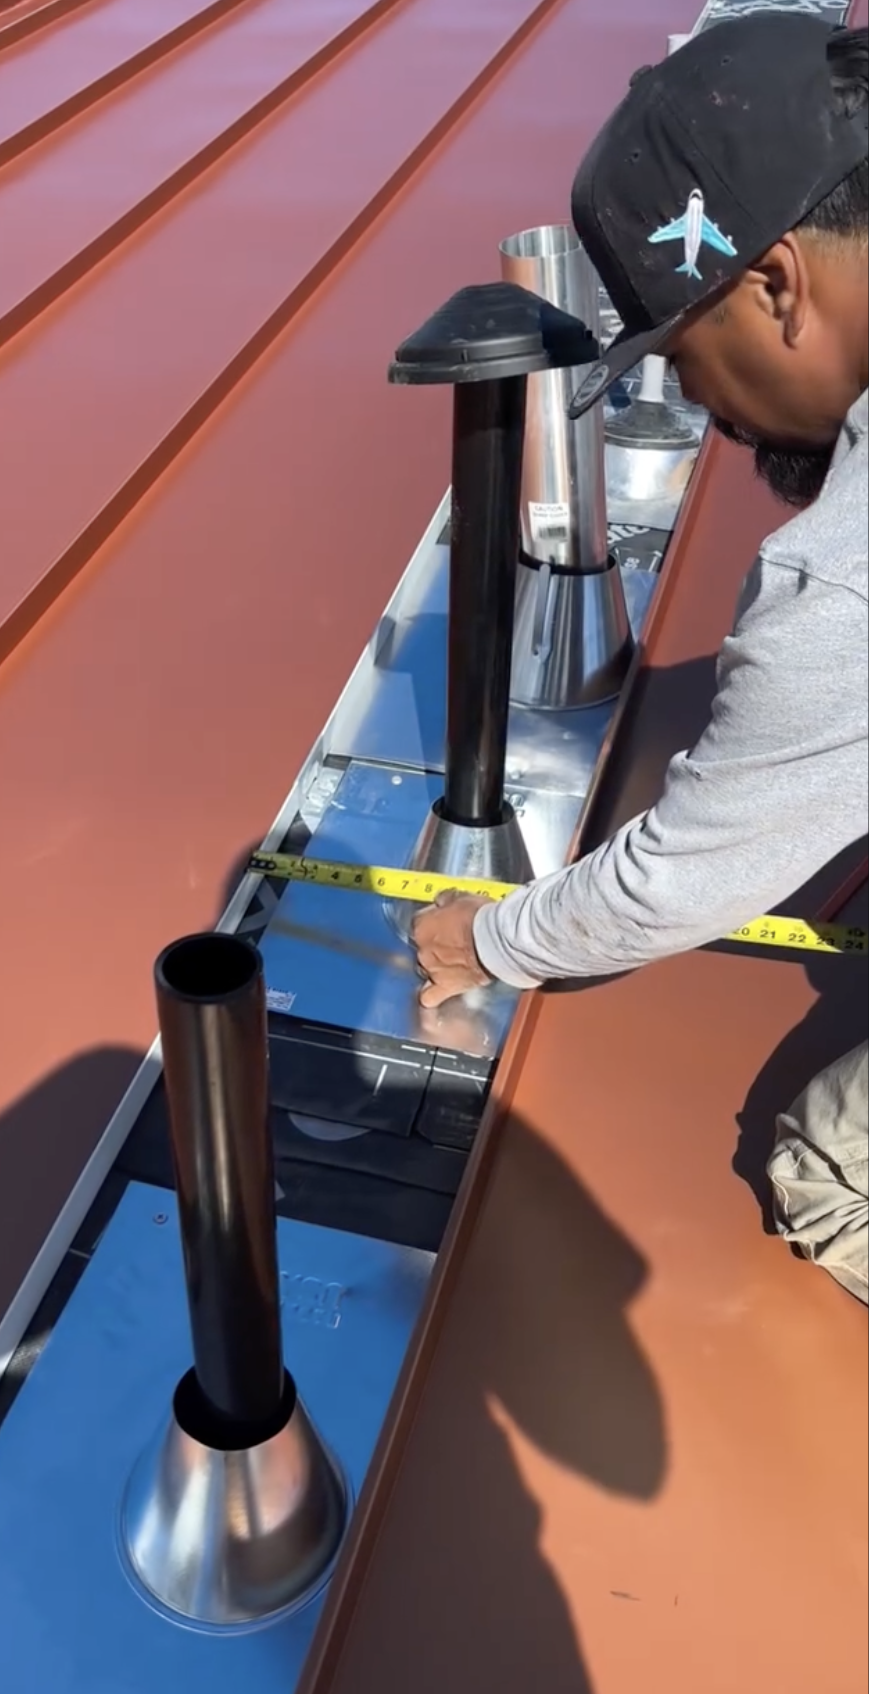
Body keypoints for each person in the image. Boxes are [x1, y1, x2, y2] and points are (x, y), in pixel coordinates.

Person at [411, 15, 868, 1304]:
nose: (710, 419)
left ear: (776, 284)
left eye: (682, 354)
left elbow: (675, 882)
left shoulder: (841, 573)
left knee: (831, 1168)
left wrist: (483, 942)